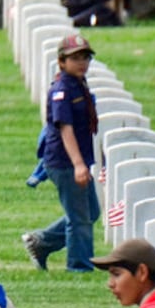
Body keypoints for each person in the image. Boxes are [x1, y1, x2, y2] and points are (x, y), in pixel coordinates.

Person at [23, 32, 100, 272]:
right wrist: (78, 165)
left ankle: (42, 241)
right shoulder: (62, 90)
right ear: (62, 62)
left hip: (76, 160)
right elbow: (65, 129)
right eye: (75, 58)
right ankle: (79, 266)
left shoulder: (78, 85)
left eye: (85, 57)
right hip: (65, 162)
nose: (81, 62)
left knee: (91, 212)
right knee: (79, 218)